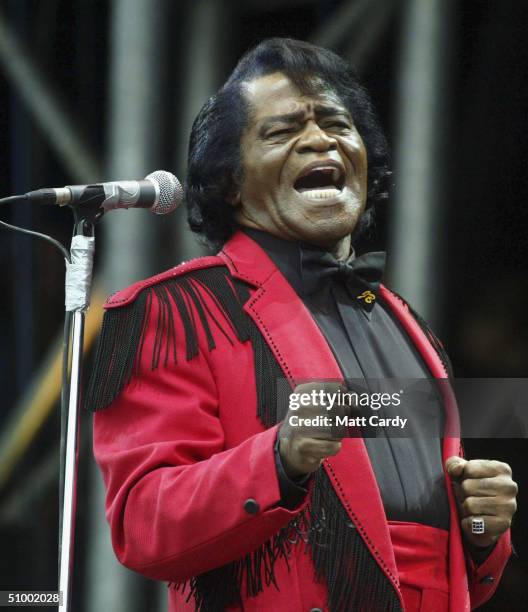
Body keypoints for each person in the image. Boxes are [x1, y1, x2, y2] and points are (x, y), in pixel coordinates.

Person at [88, 38, 517, 611]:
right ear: (231, 183)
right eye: (282, 131)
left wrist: (484, 528)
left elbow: (439, 558)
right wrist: (278, 460)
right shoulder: (181, 310)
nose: (319, 139)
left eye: (337, 125)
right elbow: (143, 524)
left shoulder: (404, 322)